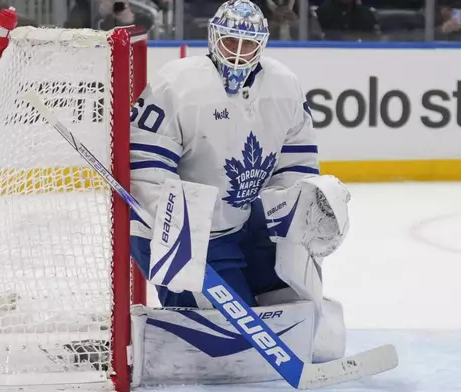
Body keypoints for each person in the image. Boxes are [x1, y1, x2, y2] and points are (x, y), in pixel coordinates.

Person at [129, 1, 349, 362]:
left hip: (241, 221)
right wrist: (176, 229)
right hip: (179, 232)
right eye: (231, 41)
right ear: (214, 38)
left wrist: (297, 217)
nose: (238, 52)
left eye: (248, 44)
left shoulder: (284, 86)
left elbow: (296, 165)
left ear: (262, 44)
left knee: (292, 309)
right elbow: (146, 166)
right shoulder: (177, 83)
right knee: (230, 345)